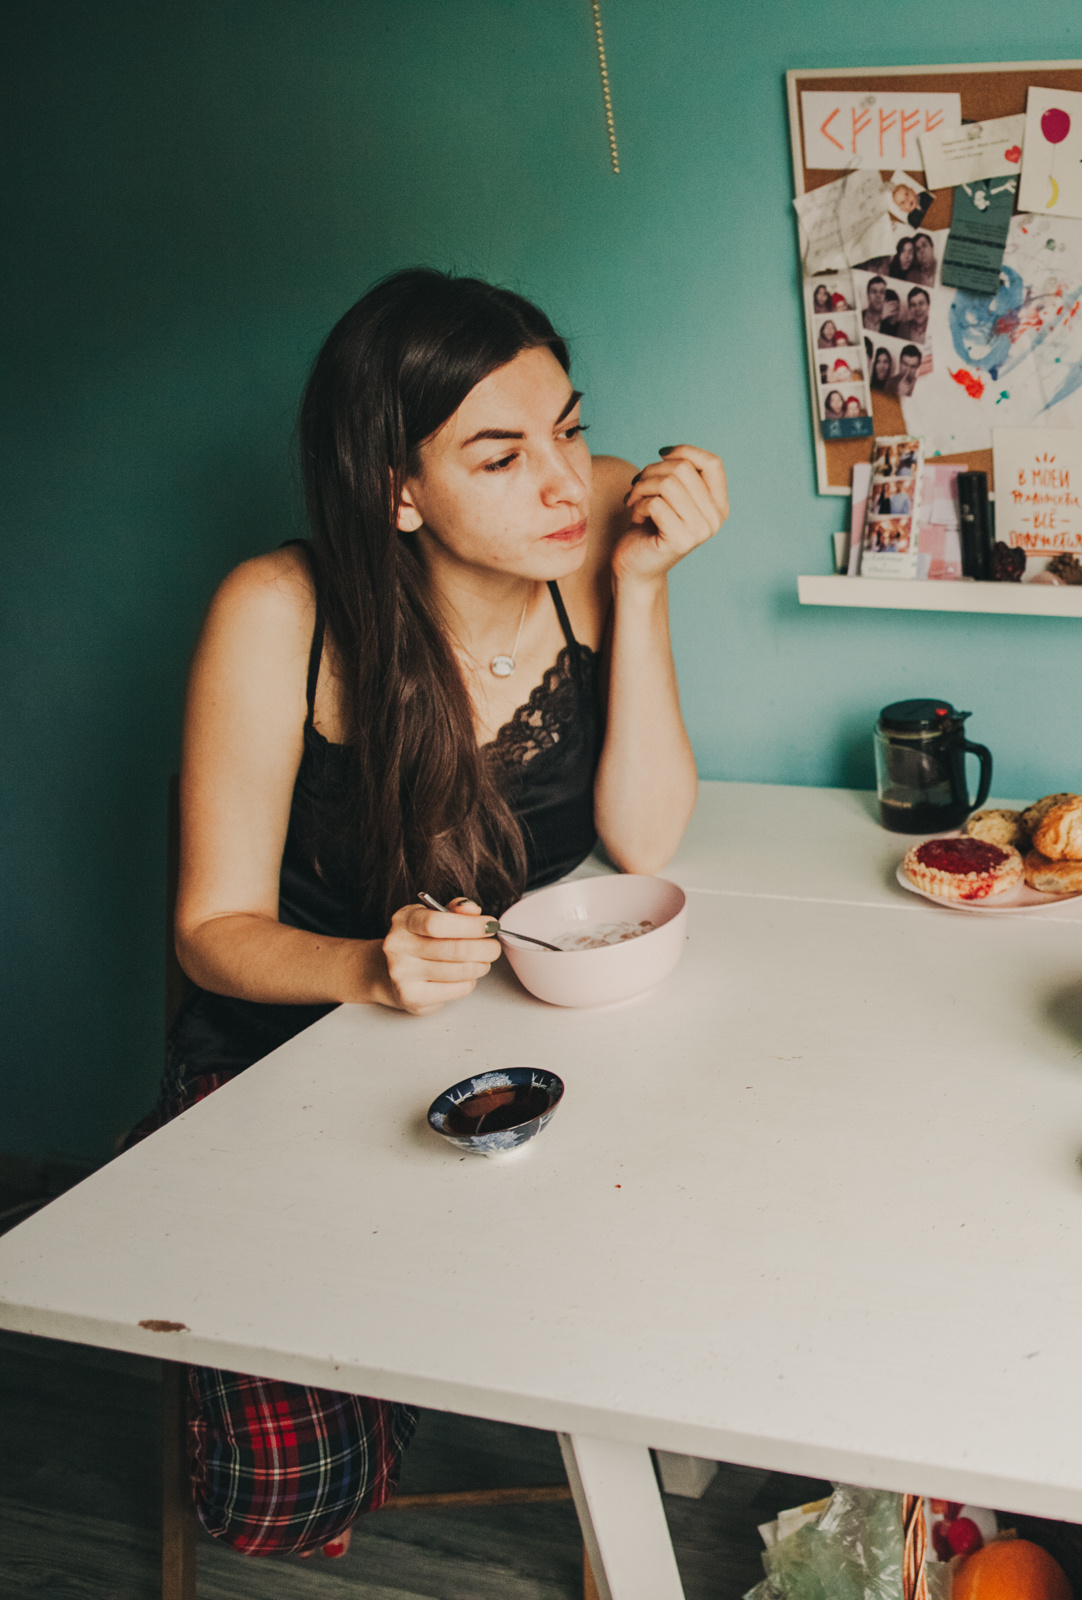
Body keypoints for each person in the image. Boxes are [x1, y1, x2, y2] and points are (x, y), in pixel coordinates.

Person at [155, 267, 728, 1559]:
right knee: (290, 1500)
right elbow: (212, 931)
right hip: (286, 1066)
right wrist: (371, 968)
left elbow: (642, 837)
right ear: (396, 488)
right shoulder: (279, 611)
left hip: (517, 1039)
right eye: (500, 453)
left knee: (700, 1256)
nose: (563, 482)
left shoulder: (587, 546)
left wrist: (641, 588)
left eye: (571, 431)